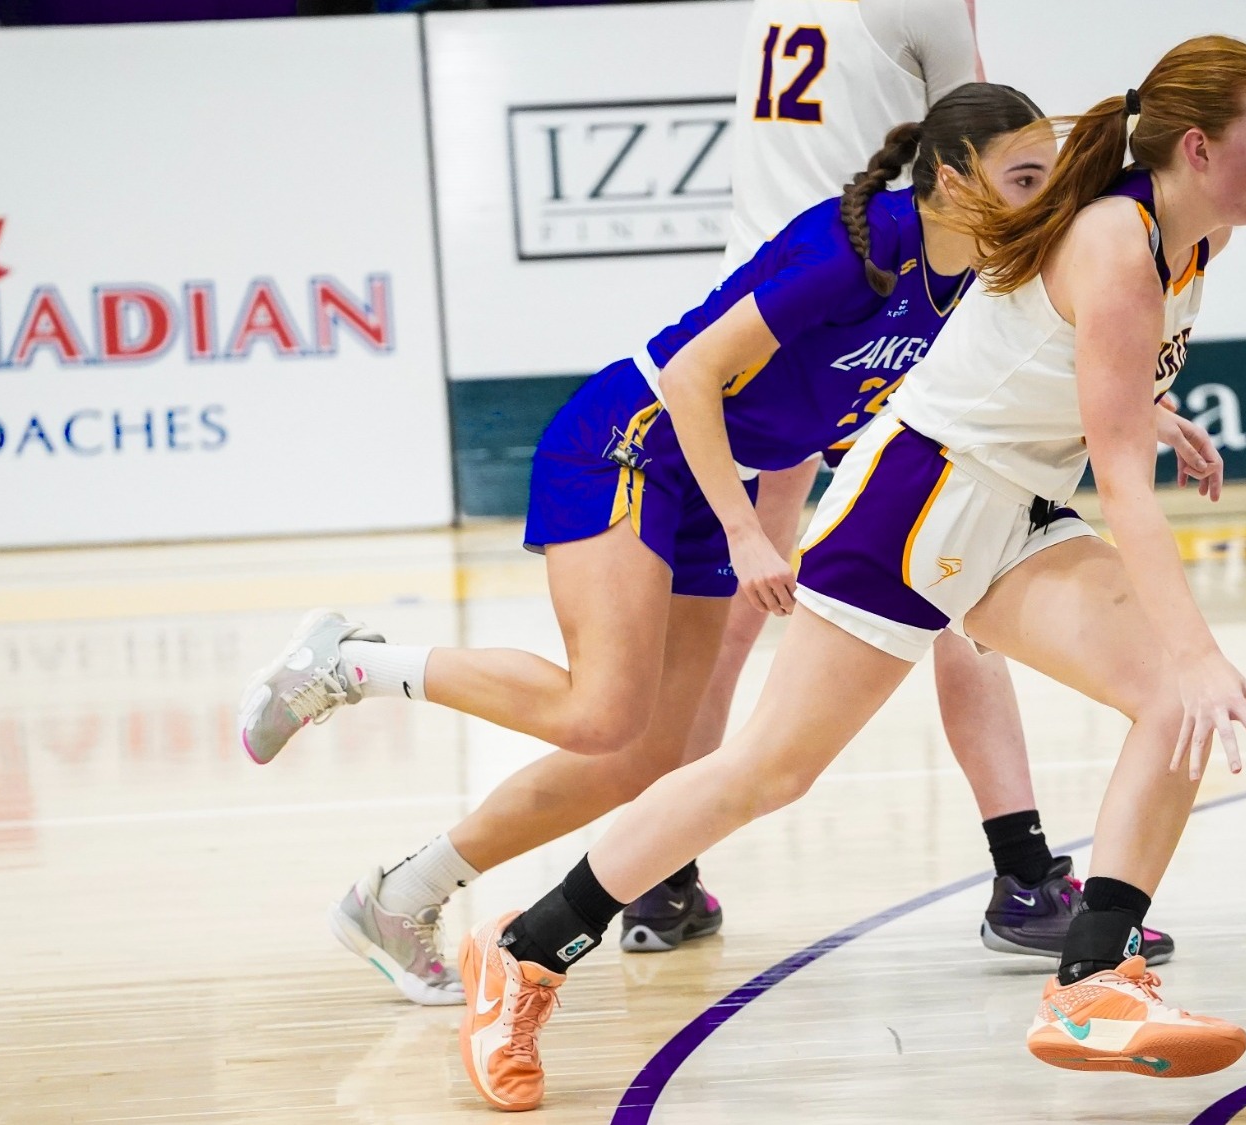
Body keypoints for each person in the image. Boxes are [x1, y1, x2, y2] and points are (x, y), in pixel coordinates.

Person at [456, 34, 1246, 1111]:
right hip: (915, 500)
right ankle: (524, 951)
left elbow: (1056, 355)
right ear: (1196, 145)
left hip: (1008, 503)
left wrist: (1150, 416)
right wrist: (1200, 645)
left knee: (1170, 704)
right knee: (766, 772)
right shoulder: (1116, 238)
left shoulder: (1189, 242)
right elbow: (1123, 489)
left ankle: (1092, 983)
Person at [233, 85, 1060, 1012]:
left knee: (651, 755)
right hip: (634, 436)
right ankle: (349, 666)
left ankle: (400, 897)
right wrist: (751, 532)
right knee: (599, 713)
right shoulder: (846, 250)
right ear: (951, 177)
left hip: (721, 474)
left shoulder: (974, 282)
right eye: (1025, 179)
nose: (1047, 201)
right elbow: (694, 372)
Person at [692, 0, 1174, 972]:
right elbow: (989, 150)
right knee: (958, 573)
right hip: (885, 286)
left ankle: (660, 865)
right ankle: (1024, 875)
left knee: (748, 599)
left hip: (779, 277)